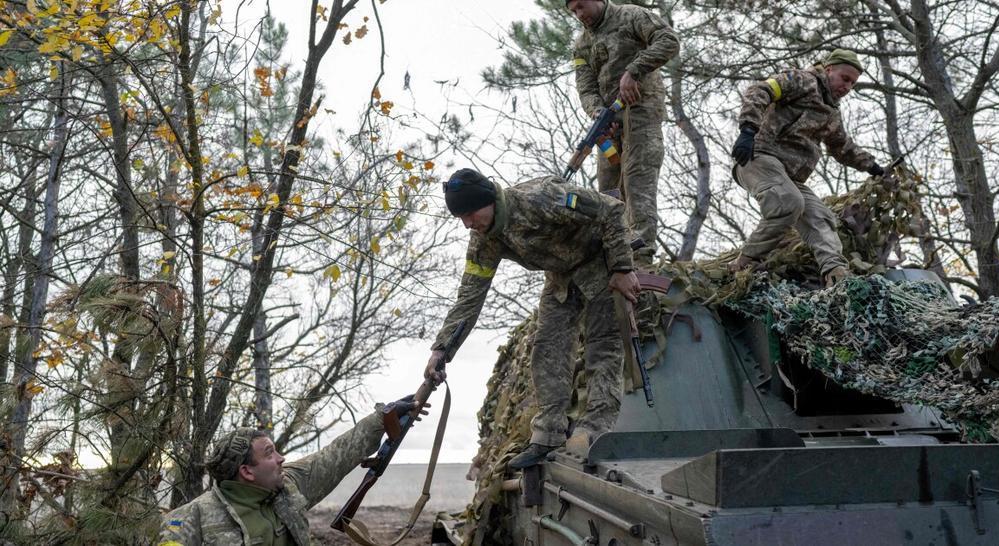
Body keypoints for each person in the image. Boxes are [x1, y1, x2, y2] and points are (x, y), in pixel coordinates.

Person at [425, 168, 640, 470]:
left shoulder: (542, 199)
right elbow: (469, 298)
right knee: (547, 348)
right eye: (461, 218)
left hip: (601, 264)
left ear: (489, 201)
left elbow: (611, 209)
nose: (467, 224)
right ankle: (547, 436)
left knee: (602, 347)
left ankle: (595, 431)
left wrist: (622, 267)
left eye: (471, 213)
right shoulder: (484, 240)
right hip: (561, 278)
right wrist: (442, 350)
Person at [157, 397, 424, 545]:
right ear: (247, 472)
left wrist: (383, 418)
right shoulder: (190, 520)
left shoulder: (288, 487)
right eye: (269, 453)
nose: (281, 458)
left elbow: (335, 456)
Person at [730, 48, 888, 286]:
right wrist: (748, 130)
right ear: (829, 69)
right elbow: (760, 90)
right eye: (844, 78)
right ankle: (744, 264)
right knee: (788, 202)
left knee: (821, 218)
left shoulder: (832, 112)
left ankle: (836, 275)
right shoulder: (801, 81)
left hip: (790, 177)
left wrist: (872, 166)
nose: (847, 87)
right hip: (759, 158)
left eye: (852, 84)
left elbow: (841, 145)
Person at [567, 0, 679, 269]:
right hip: (609, 127)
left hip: (641, 116)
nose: (579, 15)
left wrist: (634, 70)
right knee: (608, 194)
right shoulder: (581, 44)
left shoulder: (631, 16)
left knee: (637, 184)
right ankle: (613, 263)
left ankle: (640, 261)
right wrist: (598, 115)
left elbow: (669, 40)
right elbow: (586, 87)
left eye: (582, 6)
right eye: (573, 11)